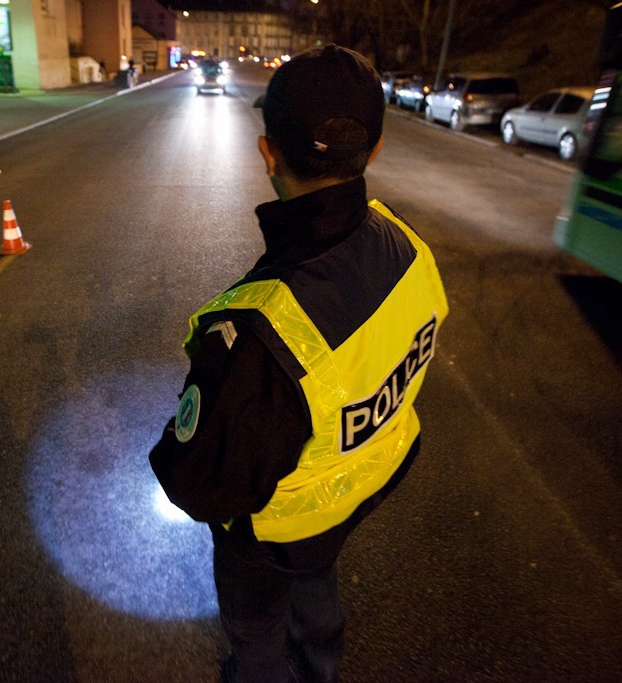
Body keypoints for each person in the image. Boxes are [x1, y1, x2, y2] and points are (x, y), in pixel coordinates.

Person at [148, 44, 449, 682]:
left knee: (256, 639)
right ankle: (321, 661)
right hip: (360, 488)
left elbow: (202, 486)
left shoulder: (258, 334)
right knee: (317, 586)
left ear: (268, 153)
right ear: (374, 152)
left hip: (273, 534)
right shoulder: (408, 245)